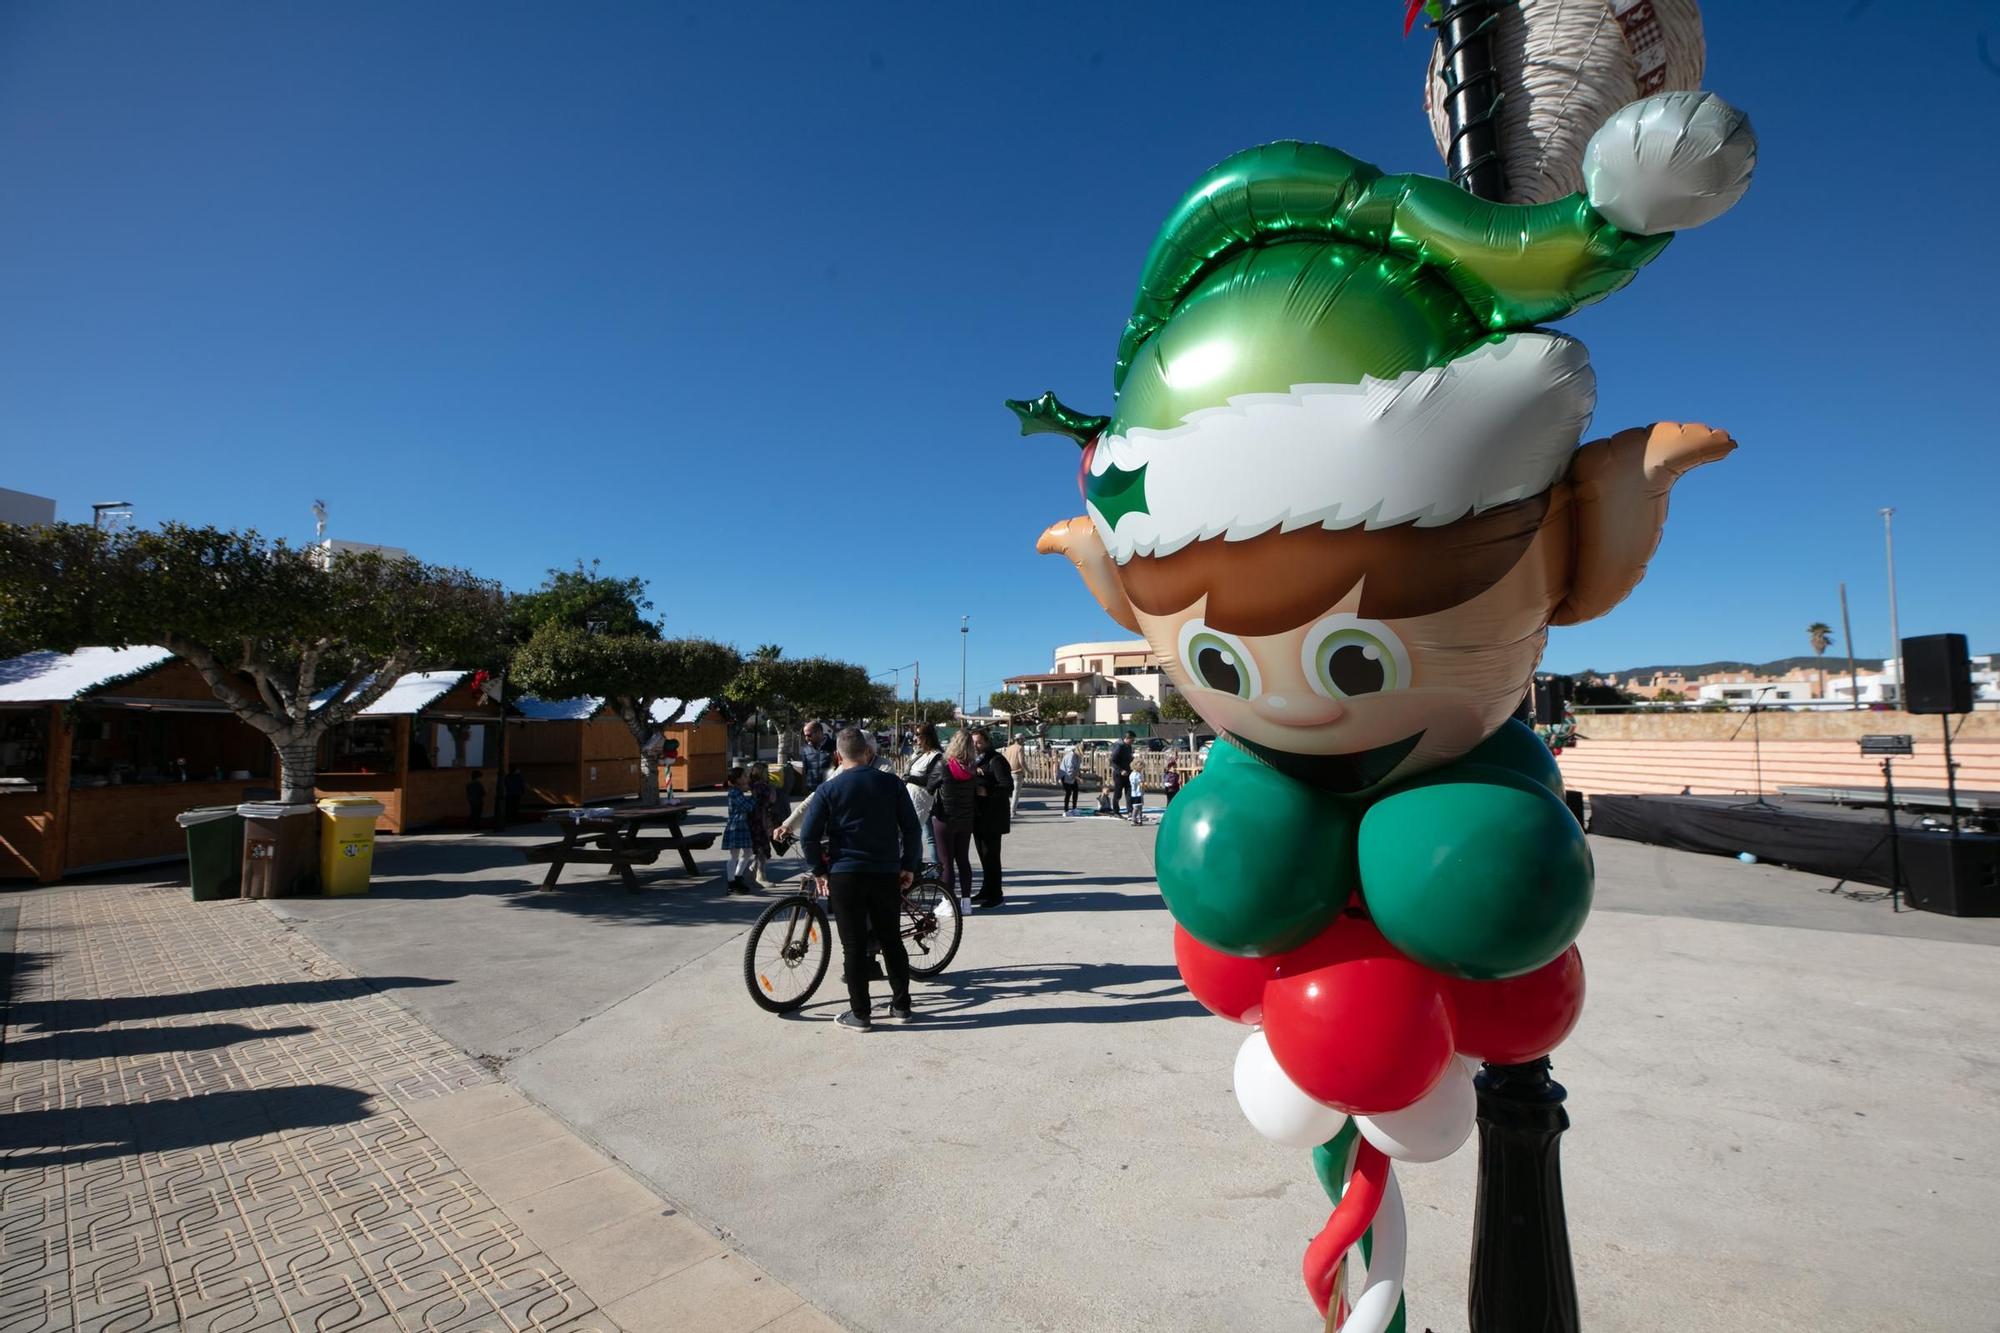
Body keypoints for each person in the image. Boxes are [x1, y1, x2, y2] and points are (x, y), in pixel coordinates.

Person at [796, 728, 920, 1032]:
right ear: (867, 753)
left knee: (852, 946)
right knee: (891, 940)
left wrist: (819, 870)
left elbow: (808, 836)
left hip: (845, 873)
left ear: (839, 756)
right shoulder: (892, 783)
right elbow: (912, 829)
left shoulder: (829, 789)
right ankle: (902, 1006)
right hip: (885, 872)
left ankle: (861, 1014)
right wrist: (909, 866)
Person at [930, 729, 978, 902]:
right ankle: (966, 902)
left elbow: (930, 786)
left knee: (946, 862)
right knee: (963, 860)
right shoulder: (973, 768)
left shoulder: (943, 765)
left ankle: (949, 903)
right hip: (965, 819)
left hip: (945, 819)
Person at [970, 728, 1012, 908]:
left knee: (992, 857)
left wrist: (987, 791)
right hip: (979, 817)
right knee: (983, 857)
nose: (975, 746)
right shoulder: (976, 761)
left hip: (993, 818)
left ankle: (996, 895)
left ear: (987, 741)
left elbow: (1007, 786)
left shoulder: (996, 760)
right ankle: (986, 890)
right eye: (973, 743)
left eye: (978, 742)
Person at [901, 724, 945, 872]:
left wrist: (911, 778)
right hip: (910, 799)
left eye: (918, 735)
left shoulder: (936, 756)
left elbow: (931, 780)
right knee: (918, 835)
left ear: (927, 737)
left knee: (924, 837)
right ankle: (918, 867)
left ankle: (934, 869)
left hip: (924, 801)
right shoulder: (919, 753)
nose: (915, 738)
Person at [722, 766, 759, 893]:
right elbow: (747, 807)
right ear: (737, 780)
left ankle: (738, 877)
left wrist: (748, 790)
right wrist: (754, 797)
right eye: (744, 776)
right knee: (734, 855)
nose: (747, 778)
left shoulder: (738, 791)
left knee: (748, 852)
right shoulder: (734, 792)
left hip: (742, 825)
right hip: (736, 826)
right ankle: (731, 882)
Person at [746, 760, 776, 884]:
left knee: (759, 846)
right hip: (761, 819)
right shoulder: (762, 786)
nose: (768, 773)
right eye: (766, 771)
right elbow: (772, 800)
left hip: (755, 819)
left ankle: (755, 868)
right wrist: (773, 789)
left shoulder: (753, 785)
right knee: (762, 847)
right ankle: (761, 875)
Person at [799, 720, 836, 793]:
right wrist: (804, 786)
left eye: (809, 735)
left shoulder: (834, 745)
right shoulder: (806, 749)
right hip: (812, 791)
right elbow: (805, 769)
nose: (806, 738)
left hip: (830, 789)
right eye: (805, 735)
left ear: (819, 732)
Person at [1003, 734, 1028, 819]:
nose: (1024, 742)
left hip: (1008, 772)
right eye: (1023, 740)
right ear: (1020, 740)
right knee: (1016, 793)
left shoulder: (1009, 748)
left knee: (1008, 792)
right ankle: (1012, 812)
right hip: (1017, 773)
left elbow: (1005, 760)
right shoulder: (1020, 748)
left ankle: (1007, 811)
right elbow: (1022, 761)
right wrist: (1028, 771)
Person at [1057, 744, 1081, 814]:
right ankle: (1066, 809)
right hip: (1065, 775)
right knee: (1068, 792)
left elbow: (1077, 767)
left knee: (1076, 790)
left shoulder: (1078, 756)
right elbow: (1069, 771)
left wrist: (1079, 774)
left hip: (1072, 776)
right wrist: (1078, 778)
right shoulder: (1071, 756)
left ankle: (1074, 808)